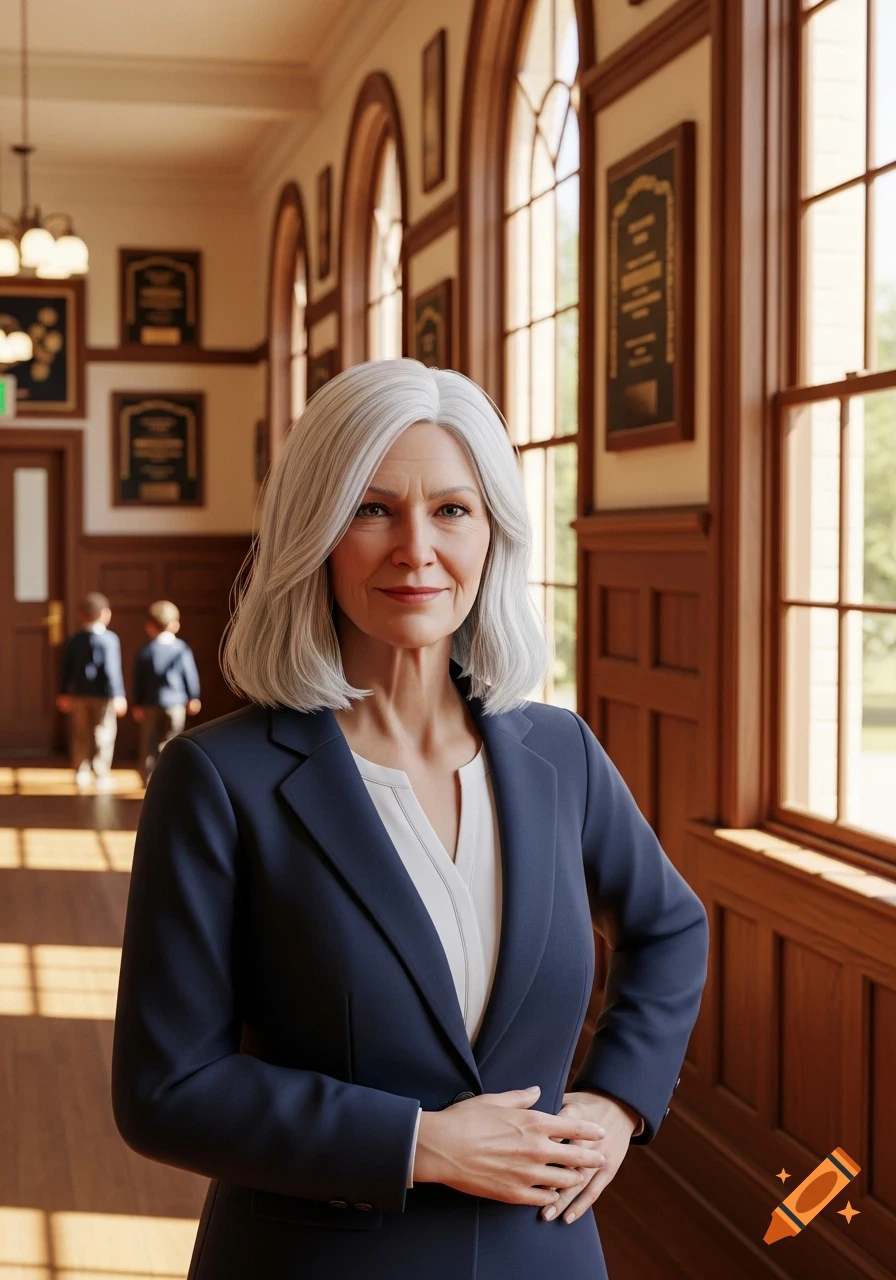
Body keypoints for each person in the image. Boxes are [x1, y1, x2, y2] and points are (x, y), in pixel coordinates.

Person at [111, 359, 709, 1280]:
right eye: (372, 508)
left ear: (493, 535)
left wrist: (616, 1104)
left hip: (542, 1255)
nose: (416, 549)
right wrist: (421, 1143)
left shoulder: (562, 752)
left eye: (452, 510)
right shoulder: (215, 779)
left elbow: (671, 927)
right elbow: (165, 1090)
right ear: (314, 532)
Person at [57, 591, 127, 791]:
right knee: (104, 733)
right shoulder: (110, 639)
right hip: (103, 696)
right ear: (105, 614)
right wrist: (118, 694)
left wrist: (63, 692)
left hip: (79, 694)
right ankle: (101, 771)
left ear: (82, 615)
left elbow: (65, 669)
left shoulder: (74, 639)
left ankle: (81, 769)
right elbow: (112, 671)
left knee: (80, 733)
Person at [132, 600, 202, 783]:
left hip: (149, 704)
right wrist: (193, 696)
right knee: (172, 741)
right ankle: (168, 778)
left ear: (149, 626)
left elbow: (138, 679)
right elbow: (190, 674)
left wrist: (137, 702)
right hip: (176, 703)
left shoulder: (146, 650)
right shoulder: (181, 649)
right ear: (175, 625)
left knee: (148, 743)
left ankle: (147, 778)